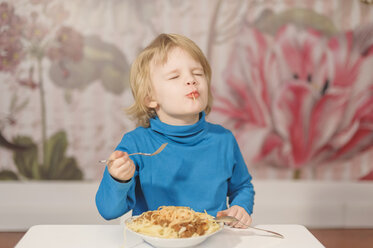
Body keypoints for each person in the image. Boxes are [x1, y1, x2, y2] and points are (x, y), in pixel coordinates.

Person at [95, 33, 255, 228]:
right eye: (174, 76)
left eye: (197, 73)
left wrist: (240, 206)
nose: (191, 80)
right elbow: (108, 211)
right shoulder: (135, 144)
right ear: (149, 98)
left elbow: (242, 187)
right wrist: (118, 179)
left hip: (213, 239)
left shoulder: (224, 140)